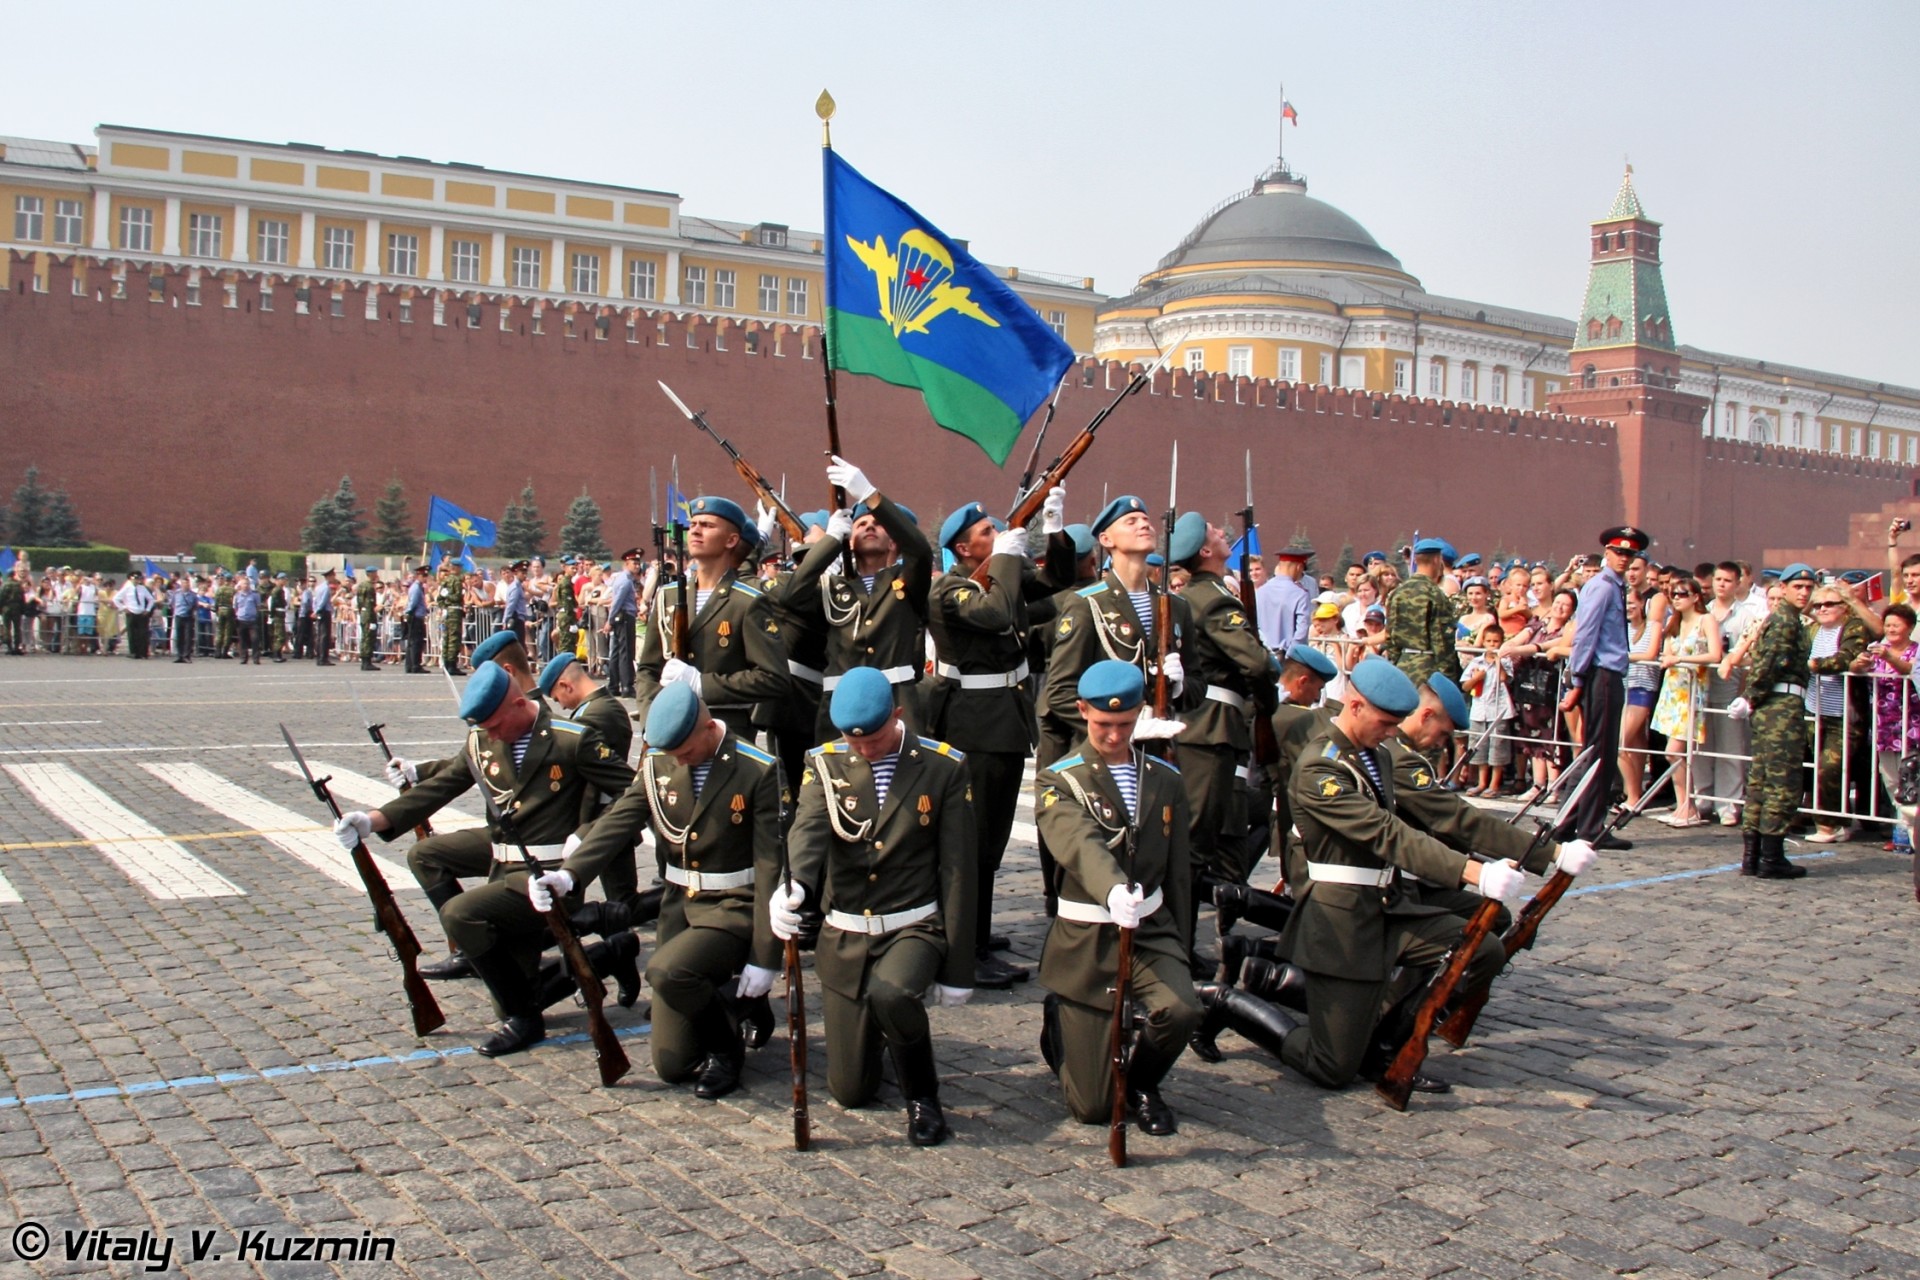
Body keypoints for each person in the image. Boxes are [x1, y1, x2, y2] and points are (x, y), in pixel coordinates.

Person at [1200, 659, 1527, 1092]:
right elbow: (1388, 835)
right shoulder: (1322, 767)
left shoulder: (1375, 758)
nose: (1394, 732)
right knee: (1330, 1068)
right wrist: (1473, 872)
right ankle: (1225, 1002)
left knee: (1481, 950)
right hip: (1342, 922)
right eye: (1386, 722)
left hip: (1388, 908)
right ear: (1354, 705)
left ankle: (1386, 1047)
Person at [332, 663, 639, 1055]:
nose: (490, 735)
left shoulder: (571, 740)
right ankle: (610, 953)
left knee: (461, 914)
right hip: (503, 872)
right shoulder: (482, 740)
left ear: (517, 703)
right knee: (510, 993)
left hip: (549, 877)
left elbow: (632, 795)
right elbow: (439, 789)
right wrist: (373, 821)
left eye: (495, 725)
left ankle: (527, 1021)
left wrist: (585, 835)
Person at [773, 667, 976, 1147]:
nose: (863, 749)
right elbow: (807, 830)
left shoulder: (943, 766)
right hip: (845, 933)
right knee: (851, 1090)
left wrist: (959, 968)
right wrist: (796, 886)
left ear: (898, 716)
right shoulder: (824, 764)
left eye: (875, 739)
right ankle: (884, 1035)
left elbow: (958, 868)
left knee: (893, 994)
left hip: (913, 924)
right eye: (853, 741)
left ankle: (923, 1096)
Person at [569, 683, 783, 1096]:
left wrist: (765, 955)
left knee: (668, 971)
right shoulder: (658, 765)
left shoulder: (757, 768)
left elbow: (771, 864)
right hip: (678, 909)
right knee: (673, 1065)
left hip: (734, 905)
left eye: (685, 752)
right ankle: (737, 1003)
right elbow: (620, 820)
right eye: (672, 755)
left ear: (707, 727)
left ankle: (727, 1052)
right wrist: (571, 874)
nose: (679, 762)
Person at [1034, 660, 1201, 1136]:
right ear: (1082, 711)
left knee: (1181, 1009)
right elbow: (1077, 843)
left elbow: (1178, 873)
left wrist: (1181, 946)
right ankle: (1060, 1032)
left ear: (1140, 715)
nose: (1112, 735)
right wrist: (1111, 888)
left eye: (1124, 725)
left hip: (1150, 929)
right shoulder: (1059, 779)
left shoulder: (1164, 779)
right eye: (1103, 724)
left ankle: (1144, 1083)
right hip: (1088, 936)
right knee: (1092, 1108)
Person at [926, 494, 1063, 990]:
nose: (1001, 533)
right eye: (989, 532)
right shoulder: (949, 591)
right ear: (964, 548)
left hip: (1001, 724)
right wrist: (1006, 556)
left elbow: (1056, 582)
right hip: (974, 728)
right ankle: (967, 949)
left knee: (992, 842)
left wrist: (1054, 527)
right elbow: (998, 613)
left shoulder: (999, 575)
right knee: (975, 844)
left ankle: (978, 935)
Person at [1037, 495, 1198, 917]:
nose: (1143, 524)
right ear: (1106, 539)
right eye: (1131, 520)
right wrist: (1122, 729)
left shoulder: (1175, 605)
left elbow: (1198, 686)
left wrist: (1179, 687)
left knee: (1157, 846)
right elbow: (1059, 692)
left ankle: (1161, 931)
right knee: (1096, 848)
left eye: (1146, 518)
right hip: (1098, 754)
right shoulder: (1086, 603)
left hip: (1154, 754)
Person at [1169, 512, 1280, 963]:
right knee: (1196, 842)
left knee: (1219, 833)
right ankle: (1177, 945)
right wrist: (1266, 701)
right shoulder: (1213, 599)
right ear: (1206, 552)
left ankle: (1198, 939)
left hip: (1214, 725)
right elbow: (1257, 664)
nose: (1222, 532)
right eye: (1215, 532)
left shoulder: (1202, 595)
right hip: (1210, 726)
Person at [784, 456, 934, 739]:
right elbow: (792, 597)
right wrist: (830, 542)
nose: (869, 526)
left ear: (893, 541)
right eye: (860, 522)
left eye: (878, 523)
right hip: (840, 704)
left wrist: (870, 496)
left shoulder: (905, 580)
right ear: (848, 540)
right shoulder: (831, 586)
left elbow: (921, 551)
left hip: (897, 701)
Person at [634, 496, 788, 737]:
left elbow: (772, 678)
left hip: (723, 730)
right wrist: (651, 718)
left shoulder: (748, 601)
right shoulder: (669, 595)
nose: (696, 530)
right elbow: (647, 669)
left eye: (707, 525)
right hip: (670, 728)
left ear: (731, 540)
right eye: (694, 524)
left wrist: (702, 685)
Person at [1561, 527, 1645, 849]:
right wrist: (1578, 678)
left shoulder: (1614, 587)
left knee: (1598, 753)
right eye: (1618, 552)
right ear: (1607, 553)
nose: (1624, 558)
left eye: (1630, 554)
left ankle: (1571, 822)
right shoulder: (1603, 587)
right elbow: (1586, 634)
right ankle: (1589, 826)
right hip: (1602, 675)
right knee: (1601, 755)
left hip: (1606, 675)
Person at [1742, 564, 1817, 879]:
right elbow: (1772, 662)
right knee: (1782, 783)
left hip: (1774, 703)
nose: (1804, 592)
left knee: (1761, 780)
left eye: (1808, 587)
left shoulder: (1785, 619)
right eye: (1797, 587)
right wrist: (1751, 695)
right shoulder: (1786, 620)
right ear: (1783, 588)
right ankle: (1771, 857)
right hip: (1781, 706)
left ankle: (1754, 855)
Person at [1651, 577, 1723, 827]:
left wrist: (1680, 659)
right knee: (1674, 753)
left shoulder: (1706, 620)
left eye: (1682, 593)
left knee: (1675, 752)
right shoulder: (1674, 623)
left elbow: (1715, 654)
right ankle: (1684, 804)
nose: (1677, 598)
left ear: (1695, 596)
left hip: (1691, 692)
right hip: (1673, 691)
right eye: (1673, 594)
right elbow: (1667, 653)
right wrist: (1670, 656)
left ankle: (1688, 805)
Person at [1804, 582, 1871, 842]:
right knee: (1820, 766)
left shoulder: (1852, 628)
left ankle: (1827, 825)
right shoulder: (1811, 631)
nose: (1822, 609)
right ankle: (1841, 820)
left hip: (1845, 714)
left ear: (1844, 607)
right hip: (1814, 709)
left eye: (1829, 603)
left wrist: (1810, 664)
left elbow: (1845, 658)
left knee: (1829, 767)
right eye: (1818, 605)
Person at [1852, 604, 1918, 855]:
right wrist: (1859, 663)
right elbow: (1858, 670)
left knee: (1911, 780)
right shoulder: (1878, 649)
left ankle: (1914, 833)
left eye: (1896, 625)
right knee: (1890, 779)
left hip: (1911, 724)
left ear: (1909, 627)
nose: (1890, 629)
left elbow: (1911, 671)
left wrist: (1890, 657)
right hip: (1884, 724)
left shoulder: (1915, 651)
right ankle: (1902, 830)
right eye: (1887, 624)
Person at [1386, 539, 1462, 687]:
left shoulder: (1398, 592)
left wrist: (1397, 661)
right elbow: (1441, 639)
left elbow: (1390, 634)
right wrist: (1449, 676)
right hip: (1429, 669)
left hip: (1402, 665)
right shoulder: (1435, 594)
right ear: (1436, 560)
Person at [1460, 621, 1514, 797]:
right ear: (1483, 642)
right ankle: (1482, 783)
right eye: (1489, 641)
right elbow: (1465, 687)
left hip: (1498, 710)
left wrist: (1498, 661)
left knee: (1497, 747)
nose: (1492, 645)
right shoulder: (1476, 662)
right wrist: (1477, 678)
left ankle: (1494, 784)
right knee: (1479, 746)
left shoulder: (1505, 661)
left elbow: (1505, 678)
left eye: (1496, 642)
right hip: (1479, 710)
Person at [1255, 546, 1313, 655]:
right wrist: (1293, 656)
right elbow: (1301, 632)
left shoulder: (1261, 591)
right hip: (1286, 655)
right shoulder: (1300, 594)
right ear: (1299, 567)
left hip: (1262, 654)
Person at [602, 549, 642, 698]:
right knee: (626, 652)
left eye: (638, 563)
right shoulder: (625, 581)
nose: (637, 566)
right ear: (626, 563)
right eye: (634, 563)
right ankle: (626, 686)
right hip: (624, 616)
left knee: (617, 652)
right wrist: (610, 620)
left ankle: (614, 685)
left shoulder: (624, 578)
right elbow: (617, 601)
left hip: (621, 616)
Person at [114, 572, 155, 660]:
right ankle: (133, 652)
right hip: (131, 612)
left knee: (143, 634)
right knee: (132, 634)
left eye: (138, 578)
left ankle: (143, 652)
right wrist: (124, 608)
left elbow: (151, 599)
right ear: (131, 579)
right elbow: (116, 599)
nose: (137, 580)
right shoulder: (127, 588)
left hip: (141, 613)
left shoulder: (142, 588)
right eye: (135, 578)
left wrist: (147, 609)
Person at [232, 573, 262, 665]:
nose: (246, 585)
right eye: (244, 584)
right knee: (242, 640)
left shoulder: (255, 595)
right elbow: (235, 607)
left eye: (247, 584)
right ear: (240, 586)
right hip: (241, 620)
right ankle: (243, 657)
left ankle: (256, 658)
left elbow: (258, 607)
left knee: (255, 639)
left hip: (252, 620)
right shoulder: (237, 596)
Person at [170, 573, 198, 663]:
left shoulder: (193, 595)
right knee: (179, 637)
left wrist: (191, 611)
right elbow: (172, 604)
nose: (186, 585)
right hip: (179, 616)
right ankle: (180, 655)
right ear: (181, 584)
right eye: (184, 583)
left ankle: (187, 655)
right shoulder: (176, 593)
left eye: (187, 583)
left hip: (188, 617)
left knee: (188, 637)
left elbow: (195, 605)